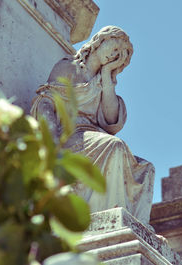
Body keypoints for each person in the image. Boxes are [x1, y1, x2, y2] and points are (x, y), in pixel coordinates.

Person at [30, 26, 155, 224]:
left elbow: (112, 120)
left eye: (118, 54)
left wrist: (107, 76)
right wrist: (51, 139)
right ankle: (107, 217)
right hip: (70, 134)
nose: (113, 55)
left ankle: (137, 225)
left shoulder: (103, 82)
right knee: (115, 146)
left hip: (93, 136)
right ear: (100, 41)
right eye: (113, 47)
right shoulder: (69, 68)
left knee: (146, 169)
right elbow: (46, 101)